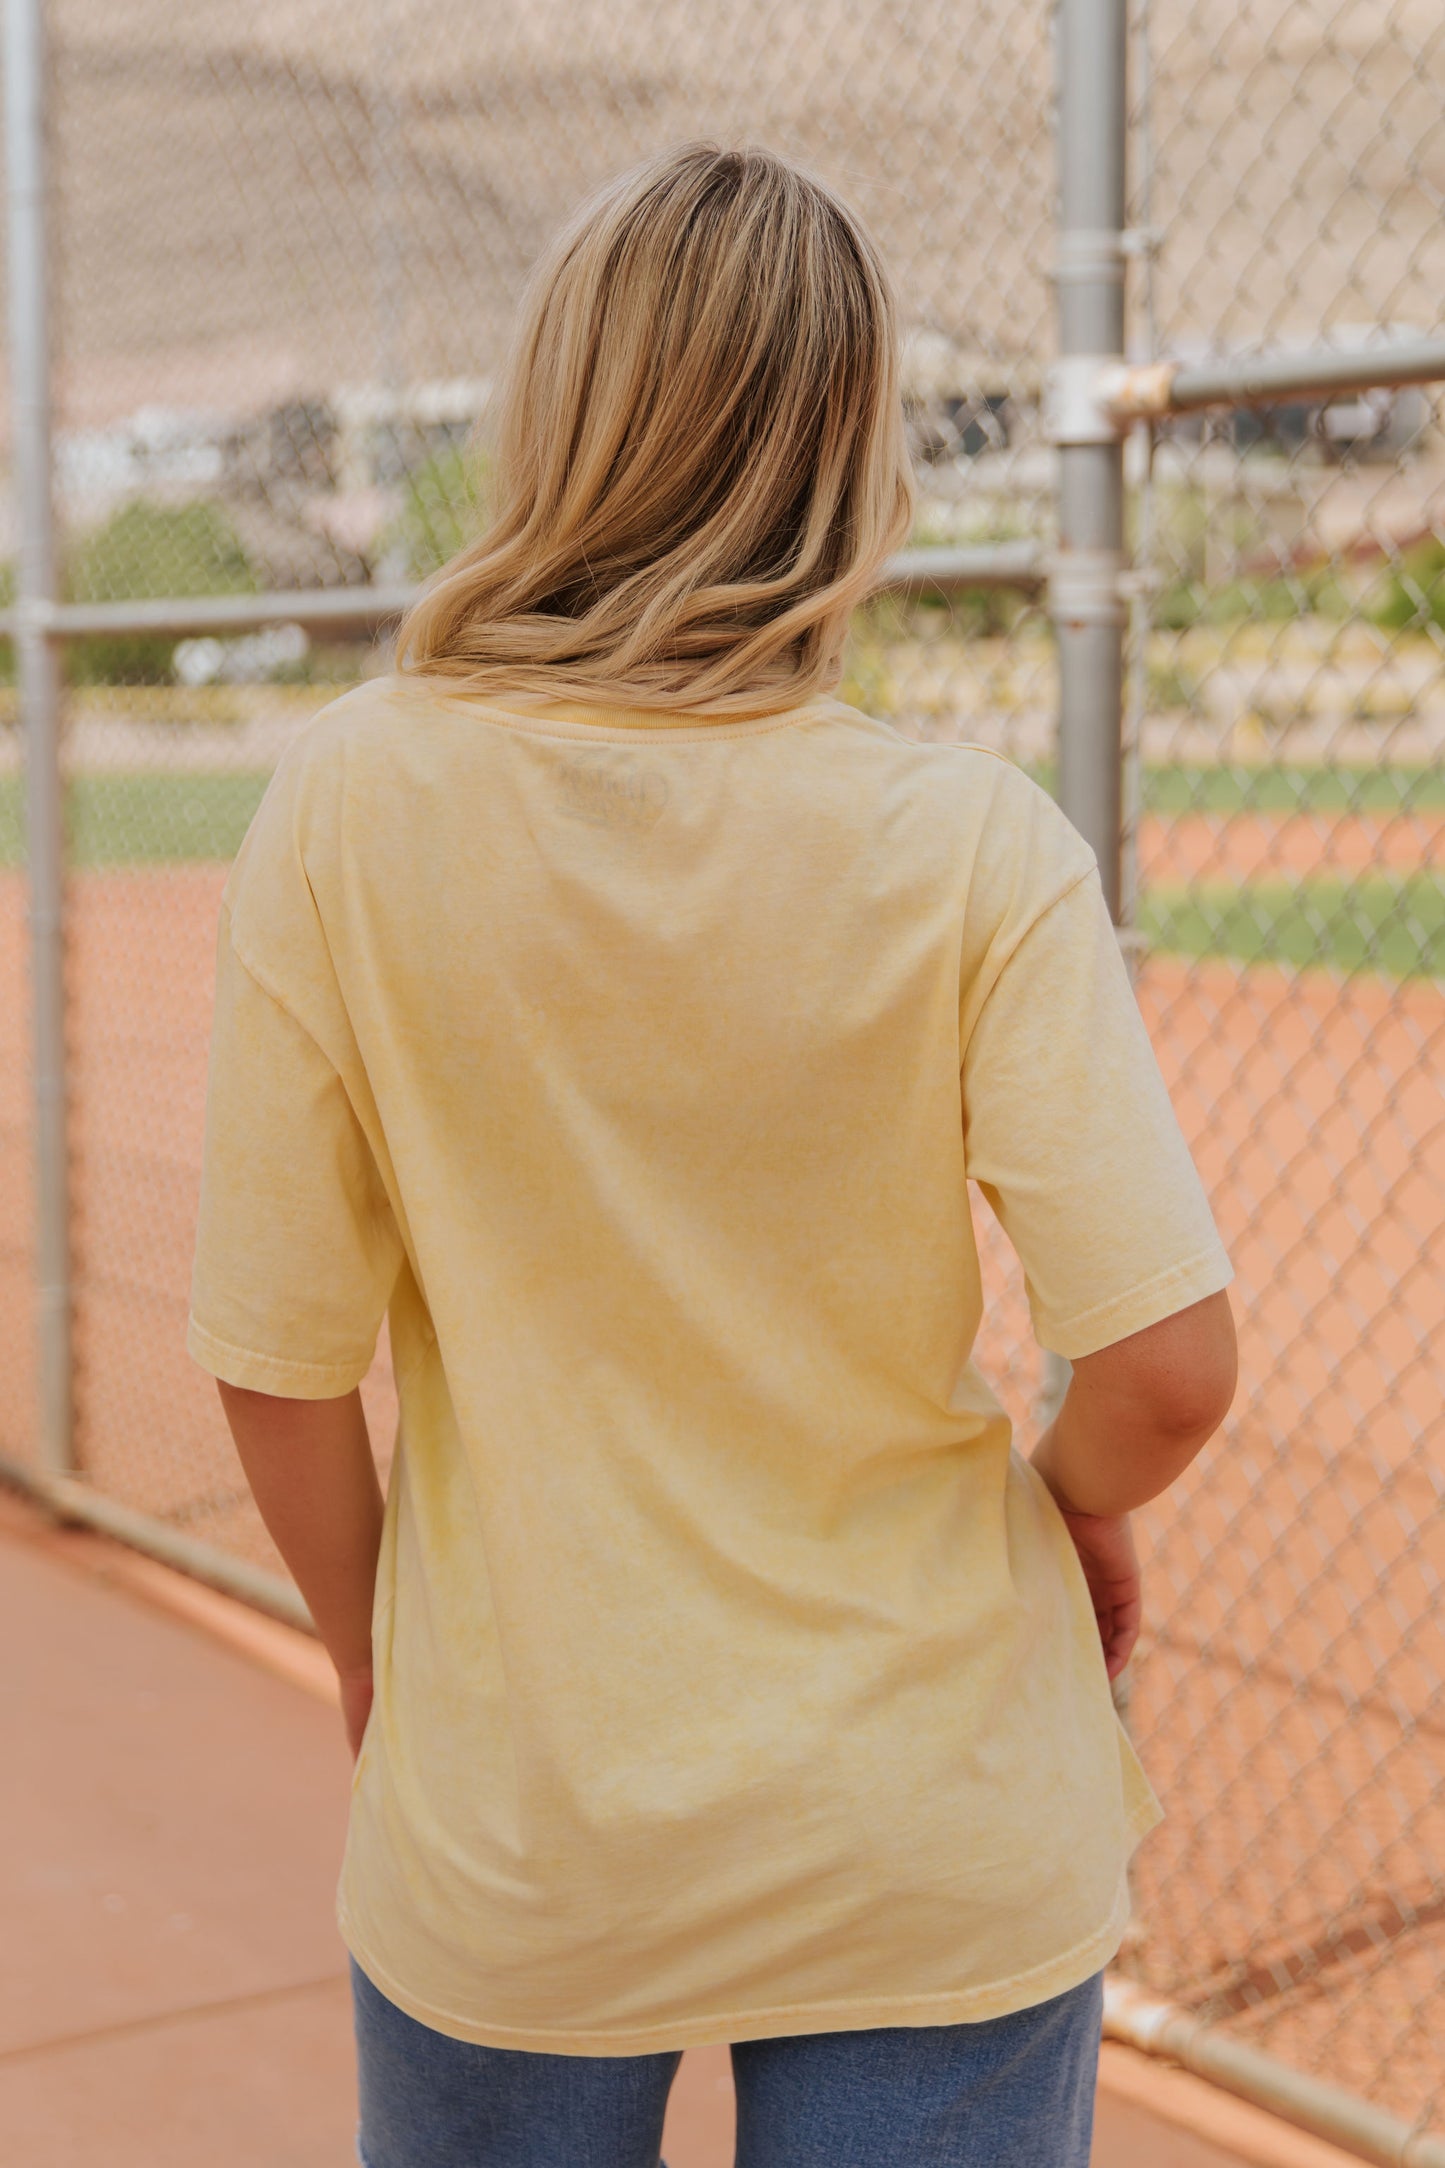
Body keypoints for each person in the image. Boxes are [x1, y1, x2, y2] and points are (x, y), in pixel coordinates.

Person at [188, 142, 1237, 2168]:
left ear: (557, 423)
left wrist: (374, 1657)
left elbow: (280, 1363)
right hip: (934, 1819)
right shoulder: (972, 842)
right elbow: (1171, 1365)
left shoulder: (342, 808)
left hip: (524, 1829)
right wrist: (1065, 1508)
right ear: (859, 459)